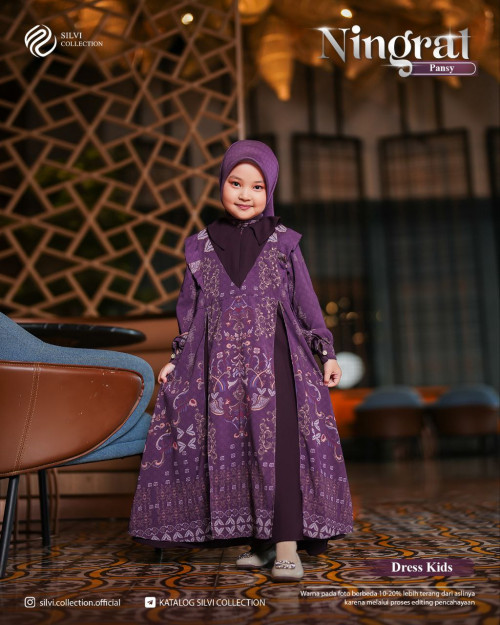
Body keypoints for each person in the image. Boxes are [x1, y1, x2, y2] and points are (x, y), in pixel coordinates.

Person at [129, 140, 354, 582]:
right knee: (239, 447)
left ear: (270, 192)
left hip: (278, 360)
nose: (245, 194)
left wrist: (325, 351)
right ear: (221, 184)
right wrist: (177, 358)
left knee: (281, 448)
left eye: (257, 186)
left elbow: (306, 303)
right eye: (236, 183)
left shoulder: (284, 241)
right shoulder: (199, 246)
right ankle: (262, 543)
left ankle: (286, 546)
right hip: (219, 367)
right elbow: (190, 311)